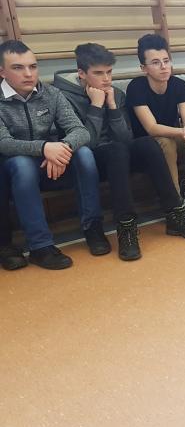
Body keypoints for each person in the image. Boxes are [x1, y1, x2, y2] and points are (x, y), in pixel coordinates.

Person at [53, 43, 185, 261]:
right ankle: (126, 226)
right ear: (81, 74)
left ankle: (175, 212)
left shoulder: (116, 94)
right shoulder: (64, 97)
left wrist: (112, 106)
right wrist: (96, 107)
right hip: (88, 159)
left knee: (147, 144)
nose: (106, 79)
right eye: (99, 73)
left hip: (118, 156)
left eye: (109, 72)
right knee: (115, 150)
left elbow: (126, 138)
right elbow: (86, 143)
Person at [0, 40, 108, 270]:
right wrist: (44, 148)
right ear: (2, 72)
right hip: (16, 169)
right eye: (18, 67)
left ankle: (93, 228)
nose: (28, 73)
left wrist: (62, 148)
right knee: (22, 165)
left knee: (84, 154)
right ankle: (41, 246)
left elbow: (80, 131)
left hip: (54, 161)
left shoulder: (51, 93)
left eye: (33, 66)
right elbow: (4, 143)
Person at [127, 34, 185, 207]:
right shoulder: (136, 87)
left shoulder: (178, 85)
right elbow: (152, 128)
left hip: (173, 136)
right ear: (144, 68)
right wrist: (184, 131)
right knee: (166, 143)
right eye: (155, 62)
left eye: (166, 60)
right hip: (145, 145)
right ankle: (175, 205)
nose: (164, 67)